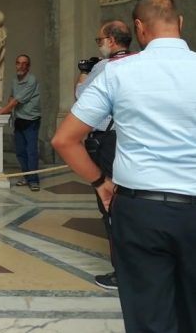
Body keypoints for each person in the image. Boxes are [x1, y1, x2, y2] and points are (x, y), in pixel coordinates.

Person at [52, 0, 196, 332]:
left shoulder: (116, 73)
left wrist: (100, 182)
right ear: (180, 23)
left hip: (140, 209)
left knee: (148, 317)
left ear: (140, 28)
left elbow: (64, 140)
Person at [75, 20, 132, 291]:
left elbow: (82, 98)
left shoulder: (104, 67)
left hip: (108, 141)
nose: (99, 45)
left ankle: (121, 273)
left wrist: (84, 74)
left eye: (99, 40)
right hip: (131, 140)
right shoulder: (139, 62)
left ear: (110, 40)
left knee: (109, 204)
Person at [0, 54, 41, 191]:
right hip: (19, 119)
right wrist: (6, 110)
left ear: (28, 66)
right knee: (20, 151)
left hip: (31, 121)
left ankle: (33, 180)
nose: (21, 66)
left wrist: (0, 111)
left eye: (24, 63)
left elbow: (16, 101)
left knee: (31, 152)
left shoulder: (32, 80)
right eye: (18, 63)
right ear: (16, 65)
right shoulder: (14, 80)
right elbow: (12, 97)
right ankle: (26, 177)